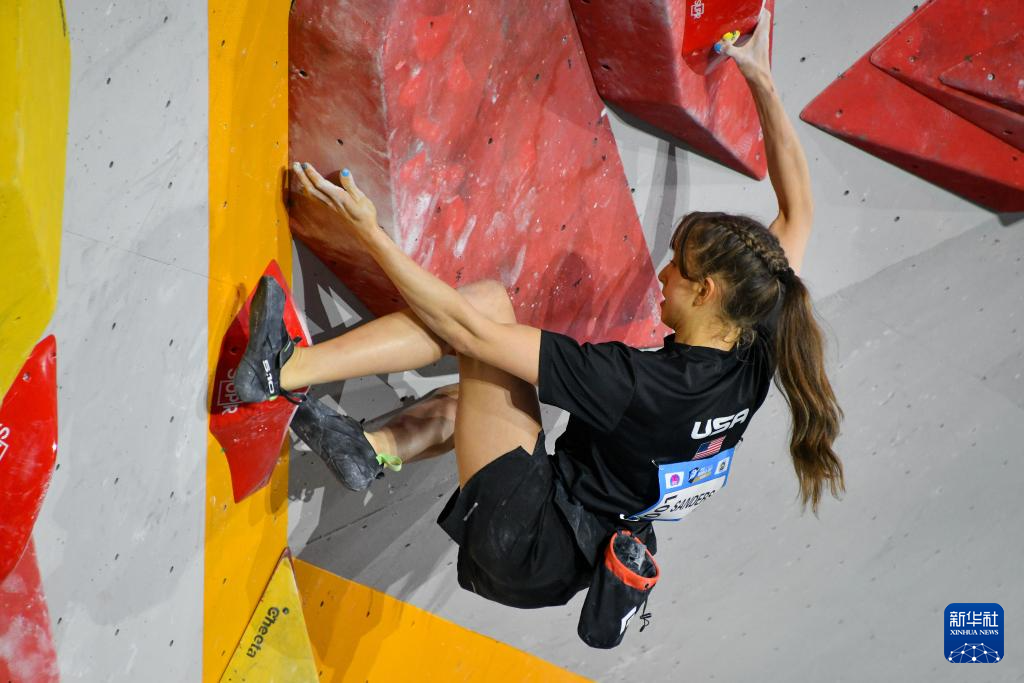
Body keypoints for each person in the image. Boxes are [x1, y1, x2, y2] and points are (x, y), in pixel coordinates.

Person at [234, 7, 844, 610]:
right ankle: (371, 449)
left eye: (676, 268)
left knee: (486, 307)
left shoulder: (634, 384)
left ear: (707, 291)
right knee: (486, 394)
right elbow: (798, 213)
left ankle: (282, 369)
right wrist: (759, 76)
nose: (661, 274)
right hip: (577, 548)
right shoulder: (753, 346)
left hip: (525, 539)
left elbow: (467, 329)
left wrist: (371, 234)